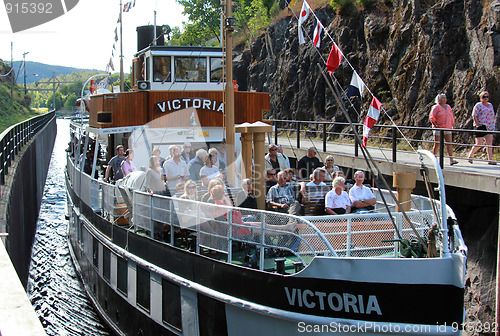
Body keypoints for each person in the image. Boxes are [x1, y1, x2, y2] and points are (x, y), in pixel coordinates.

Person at [468, 91, 497, 165]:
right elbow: (474, 115)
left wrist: (493, 124)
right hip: (481, 125)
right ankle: (470, 155)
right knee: (479, 143)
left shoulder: (490, 105)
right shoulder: (478, 105)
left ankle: (490, 159)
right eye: (484, 97)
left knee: (489, 143)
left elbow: (492, 114)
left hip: (489, 126)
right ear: (481, 98)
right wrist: (477, 124)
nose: (486, 98)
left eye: (487, 97)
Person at [429, 93, 458, 166]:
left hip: (447, 127)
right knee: (437, 144)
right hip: (439, 128)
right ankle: (434, 158)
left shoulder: (448, 107)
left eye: (445, 98)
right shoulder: (436, 107)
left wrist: (452, 125)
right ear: (439, 100)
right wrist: (435, 125)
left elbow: (451, 116)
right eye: (442, 98)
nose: (444, 100)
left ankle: (451, 160)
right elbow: (432, 117)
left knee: (449, 143)